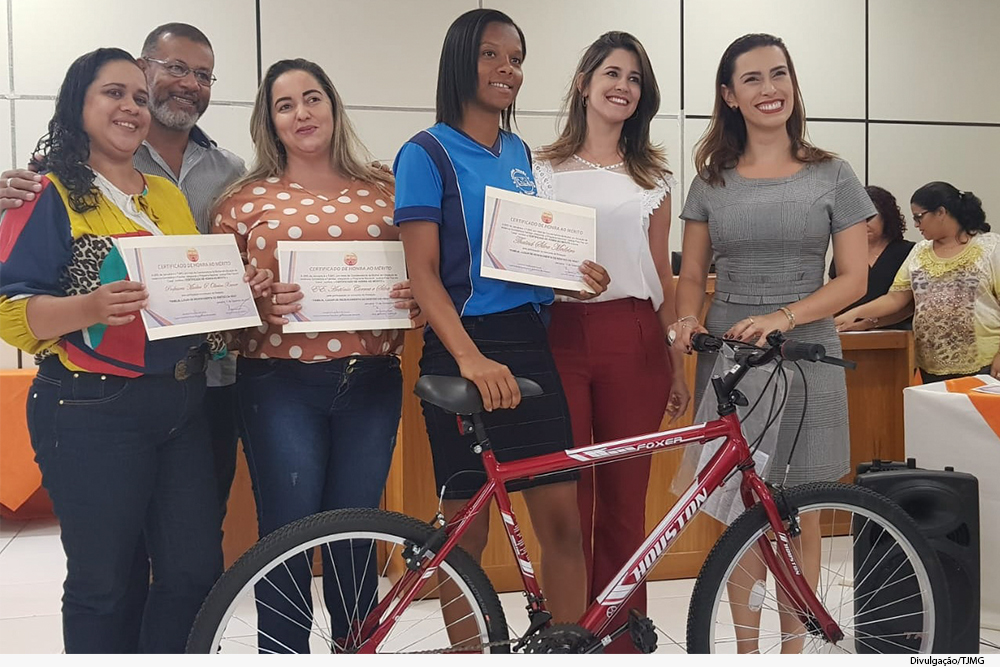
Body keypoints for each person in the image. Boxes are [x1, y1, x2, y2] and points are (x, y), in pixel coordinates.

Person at [0, 47, 266, 654]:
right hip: (89, 408)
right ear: (79, 105)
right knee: (105, 582)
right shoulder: (44, 192)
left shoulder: (163, 196)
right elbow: (11, 313)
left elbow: (186, 293)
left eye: (138, 97)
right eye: (112, 93)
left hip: (182, 401)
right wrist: (89, 307)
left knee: (193, 572)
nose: (130, 107)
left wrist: (233, 290)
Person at [393, 8, 610, 628]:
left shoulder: (518, 152)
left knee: (562, 525)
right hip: (461, 344)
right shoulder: (424, 152)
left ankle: (568, 644)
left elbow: (519, 255)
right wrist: (468, 356)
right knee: (466, 538)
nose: (507, 69)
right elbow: (424, 273)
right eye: (491, 55)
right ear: (461, 59)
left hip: (527, 341)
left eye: (515, 59)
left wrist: (572, 281)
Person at [667, 33, 873, 653]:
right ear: (729, 95)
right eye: (751, 79)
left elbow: (855, 278)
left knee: (798, 508)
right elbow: (692, 279)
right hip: (731, 353)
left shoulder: (834, 173)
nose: (769, 89)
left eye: (778, 74)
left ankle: (793, 648)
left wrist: (785, 315)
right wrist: (683, 323)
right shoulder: (711, 181)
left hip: (808, 351)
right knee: (739, 508)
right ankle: (746, 650)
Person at [213, 58, 418, 654]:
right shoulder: (241, 202)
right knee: (290, 534)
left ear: (333, 107)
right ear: (269, 122)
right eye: (285, 105)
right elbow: (216, 312)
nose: (301, 113)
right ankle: (283, 654)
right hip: (279, 384)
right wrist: (250, 301)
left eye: (312, 98)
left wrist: (414, 298)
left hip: (372, 381)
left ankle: (357, 650)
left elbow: (428, 276)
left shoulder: (387, 190)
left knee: (358, 535)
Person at [1, 23, 246, 520]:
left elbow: (212, 269)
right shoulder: (49, 181)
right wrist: (89, 307)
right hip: (97, 395)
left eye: (203, 75)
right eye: (175, 67)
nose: (189, 82)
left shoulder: (218, 174)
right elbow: (13, 307)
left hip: (194, 387)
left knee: (192, 561)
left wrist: (245, 288)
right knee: (111, 572)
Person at [532, 31, 689, 652]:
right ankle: (568, 634)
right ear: (584, 83)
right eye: (612, 73)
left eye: (634, 78)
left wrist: (676, 365)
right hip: (560, 335)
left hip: (634, 337)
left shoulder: (653, 177)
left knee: (626, 499)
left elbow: (664, 278)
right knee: (568, 498)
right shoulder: (538, 169)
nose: (623, 86)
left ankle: (623, 637)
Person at [837, 182, 997, 384]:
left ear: (941, 212)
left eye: (919, 217)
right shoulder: (920, 251)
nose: (916, 225)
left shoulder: (990, 247)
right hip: (931, 366)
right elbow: (896, 298)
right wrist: (855, 314)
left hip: (984, 363)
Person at [829, 185, 915, 329]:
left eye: (869, 218)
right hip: (848, 331)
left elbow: (909, 305)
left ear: (886, 217)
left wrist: (867, 323)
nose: (863, 224)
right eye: (856, 218)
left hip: (896, 333)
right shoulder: (845, 252)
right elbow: (834, 298)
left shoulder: (908, 251)